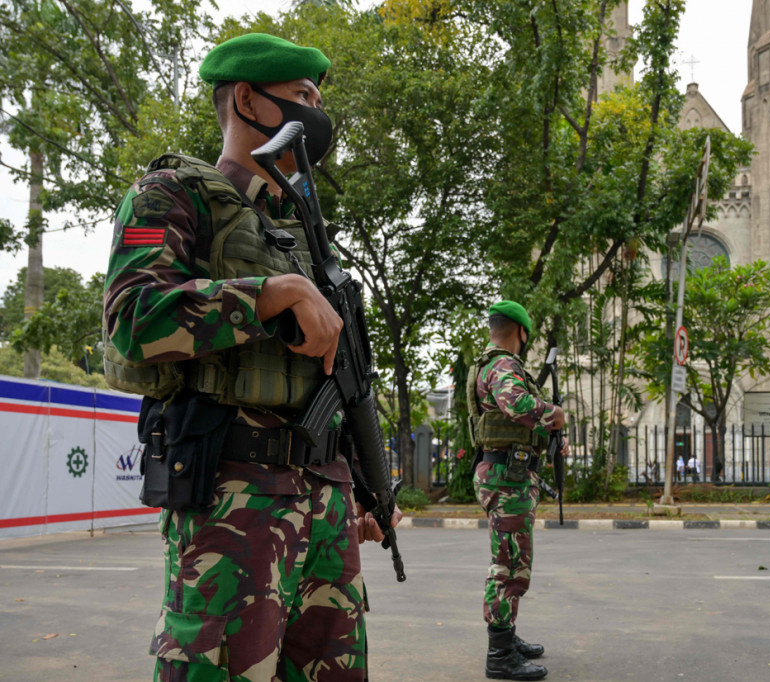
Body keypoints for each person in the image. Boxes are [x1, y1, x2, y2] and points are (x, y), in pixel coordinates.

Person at [103, 33, 399, 681]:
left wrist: (364, 490)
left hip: (324, 507)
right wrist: (269, 295)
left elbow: (338, 384)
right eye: (301, 98)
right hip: (231, 501)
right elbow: (131, 319)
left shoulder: (299, 237)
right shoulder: (171, 195)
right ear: (247, 100)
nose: (317, 116)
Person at [467, 301, 567, 681]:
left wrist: (548, 436)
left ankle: (506, 636)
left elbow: (513, 417)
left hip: (506, 473)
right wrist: (554, 415)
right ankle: (500, 656)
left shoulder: (489, 364)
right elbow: (516, 405)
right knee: (508, 567)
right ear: (521, 331)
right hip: (505, 479)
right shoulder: (504, 364)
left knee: (513, 562)